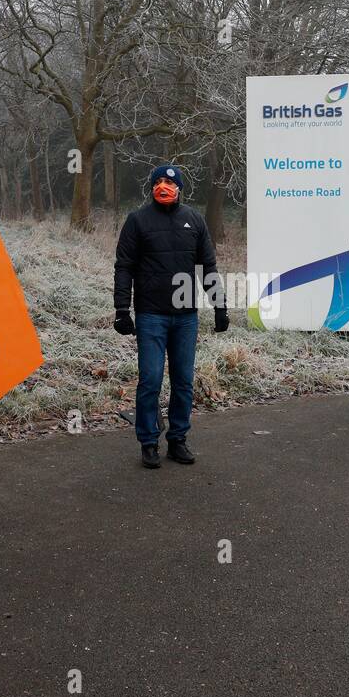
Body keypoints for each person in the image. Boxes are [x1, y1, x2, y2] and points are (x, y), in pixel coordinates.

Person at [113, 164, 228, 469]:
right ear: (151, 187)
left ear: (180, 188)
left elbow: (207, 267)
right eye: (158, 182)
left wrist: (220, 306)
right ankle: (148, 442)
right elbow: (123, 267)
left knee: (183, 381)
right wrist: (122, 310)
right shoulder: (137, 220)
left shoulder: (194, 220)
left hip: (186, 317)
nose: (163, 186)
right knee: (150, 380)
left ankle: (178, 439)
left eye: (169, 182)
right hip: (151, 315)